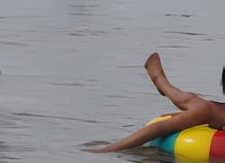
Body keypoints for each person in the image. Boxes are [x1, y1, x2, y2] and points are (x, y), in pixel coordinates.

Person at [91, 53, 225, 153]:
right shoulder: (210, 111)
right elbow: (157, 129)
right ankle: (159, 79)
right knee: (200, 107)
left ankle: (160, 81)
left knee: (194, 104)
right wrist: (107, 150)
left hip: (209, 111)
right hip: (210, 111)